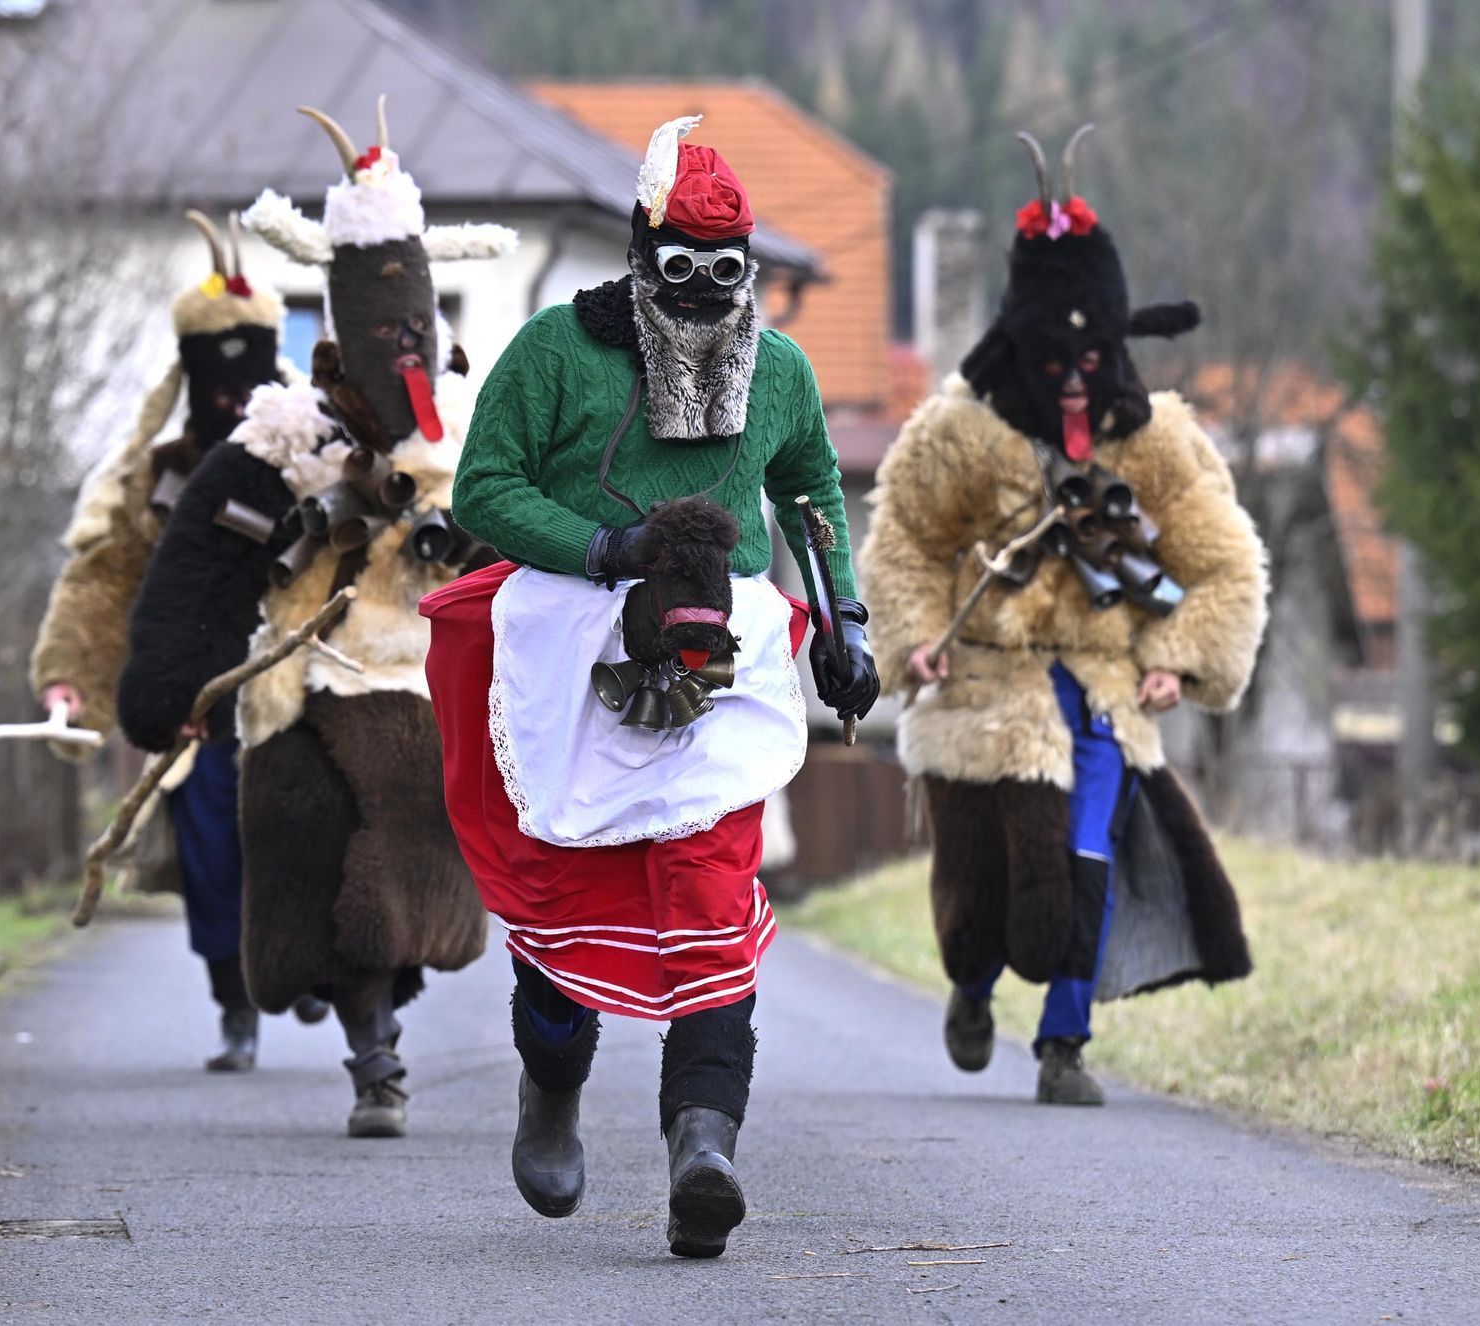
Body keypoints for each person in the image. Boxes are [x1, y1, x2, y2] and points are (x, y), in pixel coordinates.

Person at [421, 115, 880, 1259]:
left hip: (713, 639)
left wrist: (843, 617)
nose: (705, 294)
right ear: (641, 251)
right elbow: (482, 488)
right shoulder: (554, 352)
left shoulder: (778, 369)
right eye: (682, 269)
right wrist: (603, 553)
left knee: (707, 884)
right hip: (566, 633)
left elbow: (815, 488)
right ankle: (553, 1083)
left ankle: (702, 1148)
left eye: (729, 273)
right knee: (569, 875)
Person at [116, 102, 516, 1137]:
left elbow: (532, 545)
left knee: (402, 887)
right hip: (306, 684)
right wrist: (174, 689)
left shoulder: (474, 438)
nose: (403, 343)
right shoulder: (285, 435)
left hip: (427, 692)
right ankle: (372, 1054)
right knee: (314, 855)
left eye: (414, 323)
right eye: (381, 326)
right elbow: (202, 555)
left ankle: (375, 1014)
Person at [859, 126, 1268, 1106]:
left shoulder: (1159, 442)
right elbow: (903, 542)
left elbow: (1224, 565)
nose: (1077, 375)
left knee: (1081, 860)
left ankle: (1063, 1044)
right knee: (982, 895)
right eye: (1057, 356)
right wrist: (912, 640)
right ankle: (969, 985)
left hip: (1102, 693)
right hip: (979, 690)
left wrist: (1179, 658)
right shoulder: (956, 432)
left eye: (1095, 352)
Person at [29, 211, 327, 1071]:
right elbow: (102, 578)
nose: (232, 397)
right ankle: (236, 1007)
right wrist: (68, 682)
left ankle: (309, 965)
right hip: (198, 702)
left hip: (301, 683)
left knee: (308, 830)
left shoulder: (313, 452)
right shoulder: (154, 474)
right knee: (210, 854)